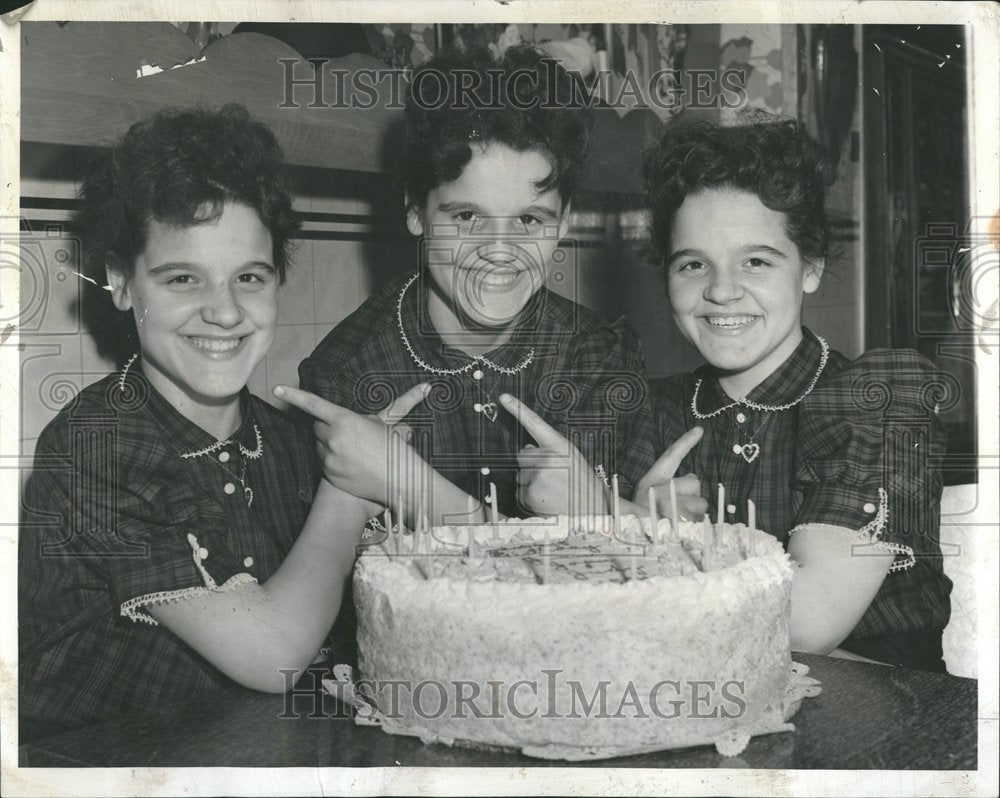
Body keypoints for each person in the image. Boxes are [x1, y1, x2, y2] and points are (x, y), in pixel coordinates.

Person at [18, 106, 424, 739]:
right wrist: (348, 490)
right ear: (123, 283)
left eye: (249, 278)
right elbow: (274, 657)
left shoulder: (287, 438)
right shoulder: (94, 446)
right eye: (184, 278)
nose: (226, 312)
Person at [294, 45, 697, 526]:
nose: (500, 251)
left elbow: (592, 576)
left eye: (529, 219)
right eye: (467, 217)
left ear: (565, 221)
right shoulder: (344, 373)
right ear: (416, 212)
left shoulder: (600, 356)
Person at [638, 114, 952, 671]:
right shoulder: (653, 408)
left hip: (882, 725)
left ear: (810, 268)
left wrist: (646, 537)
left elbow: (806, 625)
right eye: (693, 264)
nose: (721, 291)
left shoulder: (878, 397)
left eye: (756, 261)